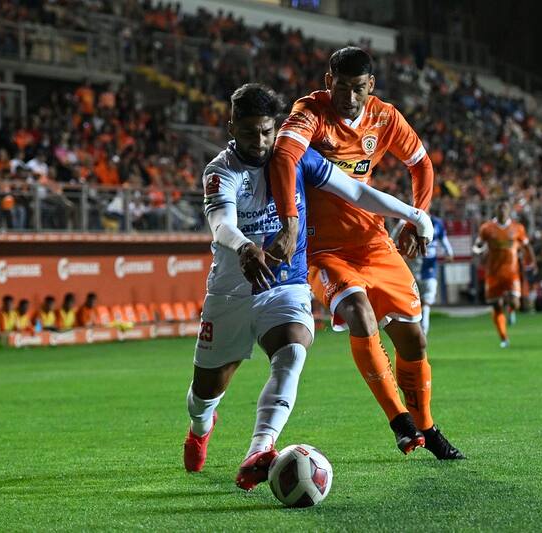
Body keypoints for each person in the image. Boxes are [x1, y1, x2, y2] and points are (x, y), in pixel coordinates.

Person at [183, 84, 435, 491]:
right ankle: (200, 426)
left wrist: (412, 213)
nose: (260, 141)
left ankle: (260, 450)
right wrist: (245, 247)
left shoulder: (297, 159)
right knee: (205, 392)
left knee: (294, 351)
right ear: (232, 128)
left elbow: (354, 190)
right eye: (249, 133)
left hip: (285, 287)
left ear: (276, 127)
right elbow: (222, 223)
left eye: (267, 131)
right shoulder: (221, 170)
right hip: (231, 292)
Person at [267, 47, 463, 459]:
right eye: (342, 87)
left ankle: (426, 426)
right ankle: (400, 422)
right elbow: (284, 156)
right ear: (328, 82)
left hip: (373, 242)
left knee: (414, 340)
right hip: (322, 249)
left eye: (358, 88)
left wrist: (417, 217)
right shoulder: (310, 112)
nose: (349, 97)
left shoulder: (385, 117)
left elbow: (422, 164)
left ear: (370, 86)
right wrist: (289, 221)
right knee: (357, 309)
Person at [472, 201, 535, 348]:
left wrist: (532, 261)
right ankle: (504, 338)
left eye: (505, 208)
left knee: (515, 302)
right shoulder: (487, 228)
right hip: (493, 272)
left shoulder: (517, 228)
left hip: (511, 272)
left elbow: (526, 246)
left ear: (508, 211)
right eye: (500, 208)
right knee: (496, 305)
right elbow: (477, 245)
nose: (502, 211)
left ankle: (512, 310)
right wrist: (478, 253)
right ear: (496, 210)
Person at [396, 216, 454, 334]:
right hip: (410, 268)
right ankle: (411, 330)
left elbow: (444, 240)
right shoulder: (404, 222)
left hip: (429, 268)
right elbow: (392, 241)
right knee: (412, 303)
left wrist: (449, 252)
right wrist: (400, 255)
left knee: (427, 300)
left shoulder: (437, 223)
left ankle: (423, 332)